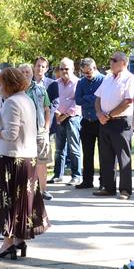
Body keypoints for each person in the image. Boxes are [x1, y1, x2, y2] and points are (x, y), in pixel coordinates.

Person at [0, 67, 49, 259]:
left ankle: (8, 242)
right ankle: (18, 239)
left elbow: (11, 134)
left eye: (0, 85)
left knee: (9, 202)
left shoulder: (12, 102)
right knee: (20, 202)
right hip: (25, 158)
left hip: (11, 159)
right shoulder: (26, 100)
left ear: (9, 84)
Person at [94, 52, 134, 199]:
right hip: (104, 121)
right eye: (110, 60)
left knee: (123, 155)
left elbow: (128, 101)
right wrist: (100, 114)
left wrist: (109, 115)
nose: (111, 62)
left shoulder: (129, 78)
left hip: (120, 121)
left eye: (114, 60)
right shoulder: (107, 78)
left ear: (123, 63)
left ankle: (125, 190)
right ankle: (108, 187)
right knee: (106, 156)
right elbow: (98, 98)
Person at [18, 63, 53, 201]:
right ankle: (25, 191)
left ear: (32, 73)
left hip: (40, 131)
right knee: (23, 162)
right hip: (22, 133)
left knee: (41, 162)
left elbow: (47, 109)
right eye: (22, 72)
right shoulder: (14, 90)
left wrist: (47, 127)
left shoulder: (41, 89)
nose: (25, 74)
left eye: (27, 71)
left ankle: (43, 191)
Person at [48, 58, 82, 187]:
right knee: (59, 149)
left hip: (73, 118)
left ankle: (76, 176)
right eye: (61, 69)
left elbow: (77, 102)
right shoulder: (55, 84)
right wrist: (57, 114)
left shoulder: (78, 83)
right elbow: (52, 100)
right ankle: (58, 175)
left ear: (73, 69)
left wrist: (66, 115)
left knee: (74, 148)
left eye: (66, 68)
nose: (64, 71)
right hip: (58, 118)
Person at [74, 58, 104, 190]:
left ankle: (104, 180)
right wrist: (93, 98)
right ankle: (87, 180)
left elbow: (103, 99)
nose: (87, 74)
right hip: (86, 121)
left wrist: (88, 97)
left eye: (89, 71)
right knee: (87, 153)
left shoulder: (103, 80)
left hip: (100, 121)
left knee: (104, 153)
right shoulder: (81, 82)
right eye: (84, 72)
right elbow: (78, 100)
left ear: (95, 67)